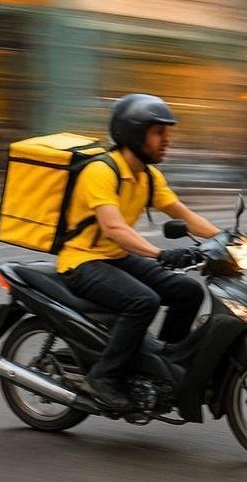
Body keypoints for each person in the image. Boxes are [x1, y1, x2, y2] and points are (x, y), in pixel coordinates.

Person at [59, 94, 223, 410]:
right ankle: (103, 377)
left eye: (166, 133)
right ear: (134, 133)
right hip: (82, 260)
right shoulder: (101, 171)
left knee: (187, 291)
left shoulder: (147, 176)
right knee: (142, 301)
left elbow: (183, 215)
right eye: (159, 132)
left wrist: (226, 237)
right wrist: (159, 254)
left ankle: (164, 369)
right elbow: (114, 229)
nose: (166, 140)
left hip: (116, 258)